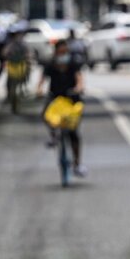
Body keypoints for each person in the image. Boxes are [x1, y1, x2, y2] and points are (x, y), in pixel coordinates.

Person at [36, 39, 86, 176]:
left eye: (65, 52)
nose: (63, 54)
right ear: (56, 52)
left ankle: (77, 164)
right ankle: (54, 136)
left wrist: (79, 88)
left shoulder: (73, 64)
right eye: (61, 52)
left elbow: (79, 78)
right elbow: (42, 79)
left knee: (74, 133)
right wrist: (39, 89)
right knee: (45, 115)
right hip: (55, 98)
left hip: (71, 98)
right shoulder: (51, 64)